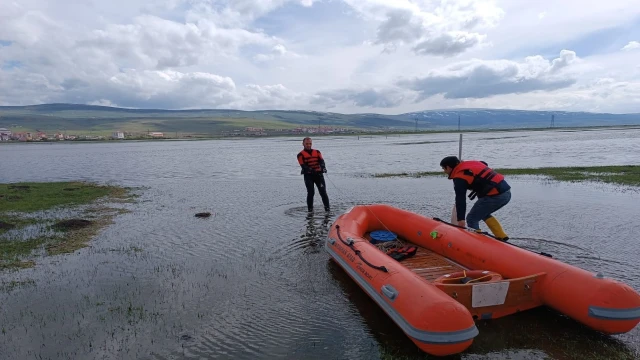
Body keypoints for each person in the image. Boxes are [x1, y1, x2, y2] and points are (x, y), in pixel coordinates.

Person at [440, 156, 511, 241]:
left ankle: (476, 243)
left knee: (471, 218)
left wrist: (461, 220)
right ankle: (502, 236)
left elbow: (460, 199)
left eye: (444, 168)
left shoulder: (459, 177)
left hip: (495, 196)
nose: (444, 171)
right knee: (482, 213)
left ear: (448, 167)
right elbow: (484, 164)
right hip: (506, 193)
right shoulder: (470, 163)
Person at [297, 137, 330, 212]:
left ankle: (327, 210)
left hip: (319, 176)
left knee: (323, 192)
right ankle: (310, 211)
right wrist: (312, 170)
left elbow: (322, 161)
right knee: (311, 193)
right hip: (308, 176)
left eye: (310, 144)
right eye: (307, 144)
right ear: (303, 144)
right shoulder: (300, 155)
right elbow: (303, 166)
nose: (308, 145)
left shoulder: (317, 152)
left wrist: (323, 168)